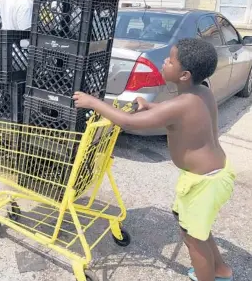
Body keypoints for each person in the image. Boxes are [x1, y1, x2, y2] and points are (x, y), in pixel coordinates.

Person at [73, 38, 235, 281]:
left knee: (194, 239)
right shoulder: (201, 92)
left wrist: (93, 102)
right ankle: (221, 271)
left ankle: (208, 276)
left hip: (204, 183)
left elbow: (129, 122)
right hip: (212, 175)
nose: (164, 62)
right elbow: (173, 110)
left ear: (184, 75)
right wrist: (148, 106)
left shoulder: (181, 104)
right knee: (194, 228)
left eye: (170, 60)